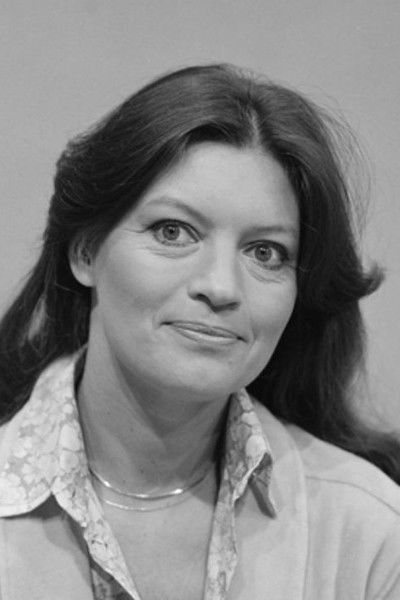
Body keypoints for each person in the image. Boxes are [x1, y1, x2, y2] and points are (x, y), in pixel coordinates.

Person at [0, 64, 399, 600]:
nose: (221, 287)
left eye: (265, 253)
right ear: (86, 251)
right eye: (174, 232)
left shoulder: (370, 534)